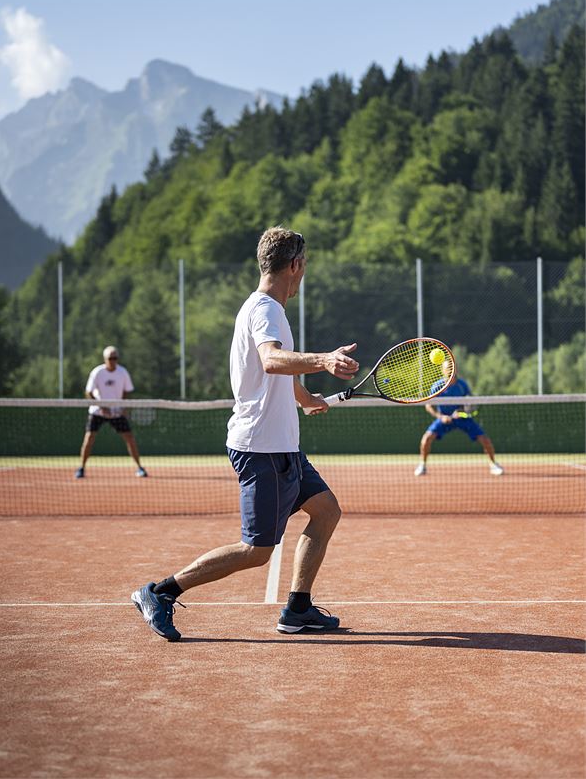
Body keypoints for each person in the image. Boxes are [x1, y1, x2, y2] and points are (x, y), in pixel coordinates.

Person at [131, 226, 359, 642]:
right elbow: (271, 361)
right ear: (295, 265)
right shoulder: (266, 310)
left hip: (283, 446)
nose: (304, 273)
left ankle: (298, 608)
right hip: (262, 449)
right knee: (256, 551)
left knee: (326, 511)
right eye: (304, 266)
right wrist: (324, 359)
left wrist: (306, 398)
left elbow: (277, 375)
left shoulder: (268, 309)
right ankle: (160, 592)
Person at [415, 358, 503, 476]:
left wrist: (460, 411)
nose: (452, 371)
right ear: (443, 370)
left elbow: (469, 404)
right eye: (448, 368)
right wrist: (441, 417)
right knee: (426, 439)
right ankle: (422, 465)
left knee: (485, 440)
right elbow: (428, 406)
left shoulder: (462, 385)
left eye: (453, 368)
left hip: (462, 419)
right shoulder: (437, 386)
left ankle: (493, 464)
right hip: (443, 420)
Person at [75, 345, 147, 479]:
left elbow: (127, 391)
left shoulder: (123, 372)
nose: (113, 361)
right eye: (110, 358)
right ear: (105, 359)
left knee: (130, 439)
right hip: (97, 412)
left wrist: (123, 408)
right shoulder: (97, 372)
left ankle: (140, 467)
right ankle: (81, 468)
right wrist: (102, 407)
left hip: (116, 413)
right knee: (89, 438)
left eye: (115, 358)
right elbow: (88, 392)